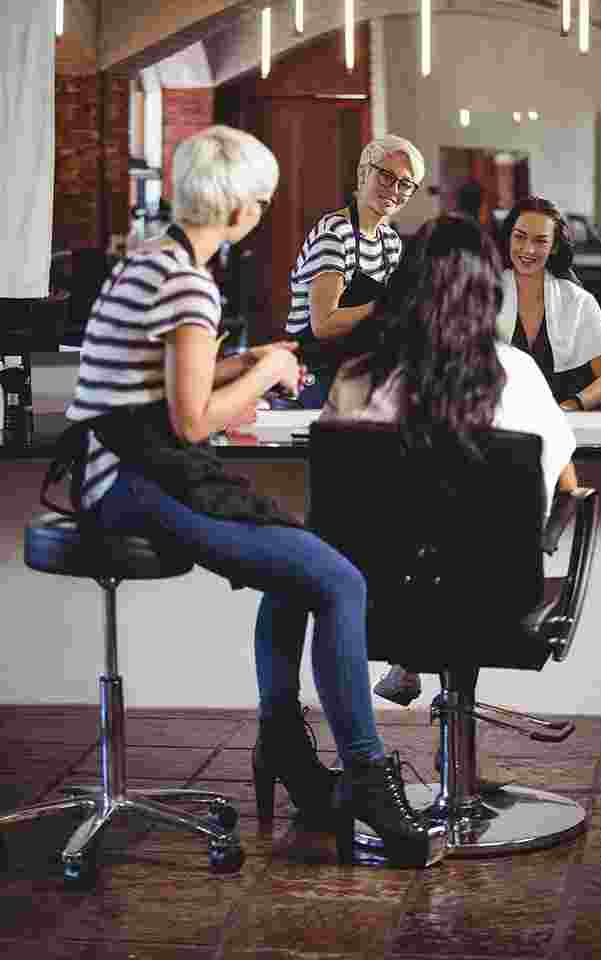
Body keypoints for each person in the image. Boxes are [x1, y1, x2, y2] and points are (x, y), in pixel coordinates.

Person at [61, 125, 434, 869]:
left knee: (300, 571)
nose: (262, 213)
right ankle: (366, 779)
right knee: (340, 580)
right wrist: (263, 376)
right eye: (260, 201)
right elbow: (192, 420)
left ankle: (286, 749)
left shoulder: (150, 262)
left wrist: (251, 360)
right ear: (237, 206)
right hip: (133, 482)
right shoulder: (187, 282)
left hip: (115, 474)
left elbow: (168, 380)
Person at [319, 213, 578, 708]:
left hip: (377, 602)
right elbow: (568, 487)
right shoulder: (518, 373)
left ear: (405, 286)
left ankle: (371, 715)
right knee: (470, 553)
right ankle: (452, 710)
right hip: (498, 600)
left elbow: (339, 492)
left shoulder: (360, 377)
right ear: (489, 291)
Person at [286, 134, 426, 408]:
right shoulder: (334, 234)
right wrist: (389, 305)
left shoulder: (391, 242)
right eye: (386, 176)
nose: (394, 189)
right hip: (315, 375)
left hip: (357, 370)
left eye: (406, 184)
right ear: (363, 174)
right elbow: (323, 324)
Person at [496, 196, 601, 410]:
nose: (528, 249)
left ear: (554, 247)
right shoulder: (486, 296)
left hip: (570, 423)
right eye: (520, 237)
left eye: (540, 241)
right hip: (504, 422)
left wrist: (567, 408)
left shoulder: (578, 301)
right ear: (509, 238)